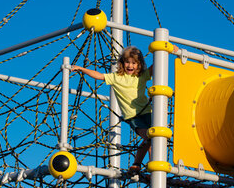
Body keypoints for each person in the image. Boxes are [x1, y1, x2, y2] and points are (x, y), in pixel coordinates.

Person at [72, 45, 177, 174]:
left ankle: (139, 164)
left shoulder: (142, 76)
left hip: (148, 112)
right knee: (151, 137)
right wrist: (81, 68)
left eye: (134, 63)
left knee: (154, 139)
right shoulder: (116, 77)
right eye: (127, 62)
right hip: (132, 116)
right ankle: (152, 168)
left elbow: (156, 66)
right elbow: (99, 76)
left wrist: (166, 51)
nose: (130, 66)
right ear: (122, 63)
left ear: (139, 65)